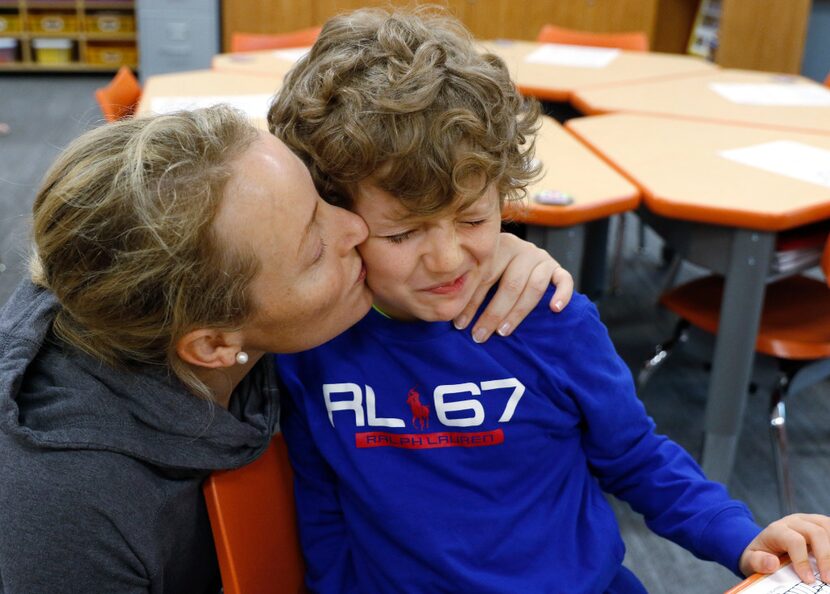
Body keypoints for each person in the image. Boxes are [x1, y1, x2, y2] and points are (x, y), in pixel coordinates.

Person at [271, 8, 830, 594]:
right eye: (402, 234)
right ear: (334, 220)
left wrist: (738, 535)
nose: (446, 259)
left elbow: (636, 457)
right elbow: (321, 500)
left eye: (473, 217)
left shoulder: (549, 321)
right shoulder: (312, 342)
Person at [0, 106, 575, 592]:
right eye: (314, 248)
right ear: (216, 345)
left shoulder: (213, 309)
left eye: (320, 198)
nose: (354, 229)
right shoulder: (66, 520)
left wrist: (492, 254)